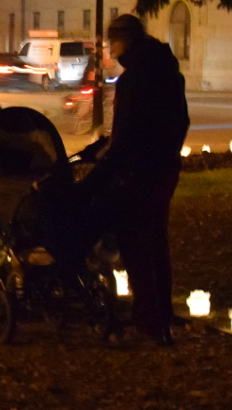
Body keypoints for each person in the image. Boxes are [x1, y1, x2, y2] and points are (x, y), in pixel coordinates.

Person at [87, 14, 189, 346]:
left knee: (136, 245)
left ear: (124, 41)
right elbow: (181, 120)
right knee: (157, 240)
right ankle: (163, 314)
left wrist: (109, 162)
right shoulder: (167, 70)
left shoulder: (136, 79)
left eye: (112, 41)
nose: (110, 49)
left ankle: (147, 324)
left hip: (139, 171)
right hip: (164, 168)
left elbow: (129, 132)